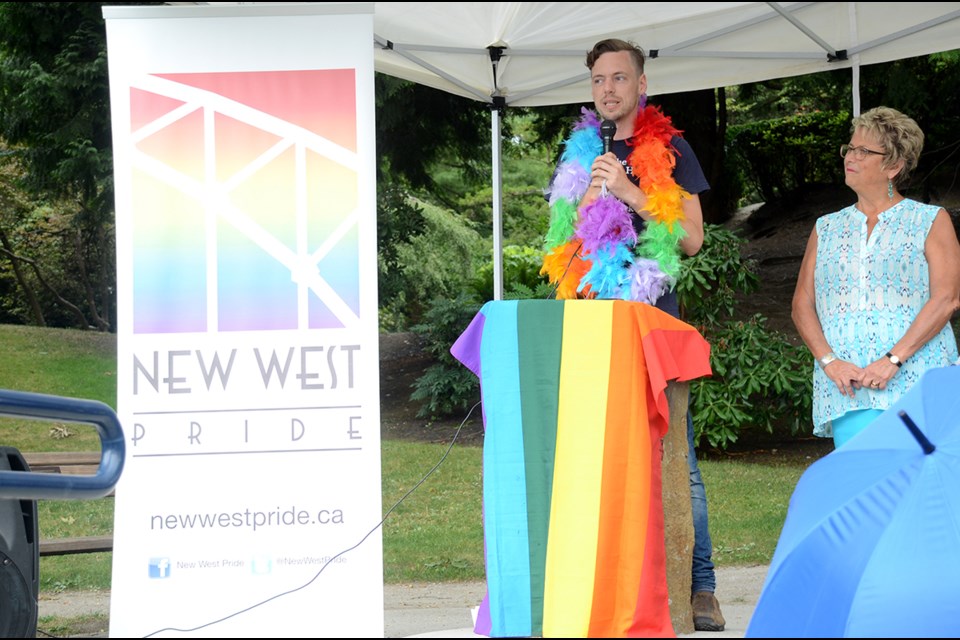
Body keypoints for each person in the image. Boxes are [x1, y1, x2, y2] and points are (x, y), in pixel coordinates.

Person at [541, 38, 725, 632]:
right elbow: (561, 245)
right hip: (594, 324)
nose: (608, 89)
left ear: (641, 85)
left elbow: (691, 239)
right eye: (599, 80)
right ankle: (616, 577)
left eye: (620, 78)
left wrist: (628, 192)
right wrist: (584, 205)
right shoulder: (579, 153)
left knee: (677, 458)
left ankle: (701, 587)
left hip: (654, 323)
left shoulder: (671, 147)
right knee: (602, 456)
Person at [791, 106, 960, 449]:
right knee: (863, 493)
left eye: (863, 151)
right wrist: (830, 362)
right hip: (847, 387)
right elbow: (801, 304)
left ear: (894, 166)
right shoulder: (826, 227)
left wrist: (892, 360)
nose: (850, 156)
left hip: (918, 381)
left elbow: (946, 299)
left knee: (921, 493)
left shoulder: (929, 220)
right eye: (849, 148)